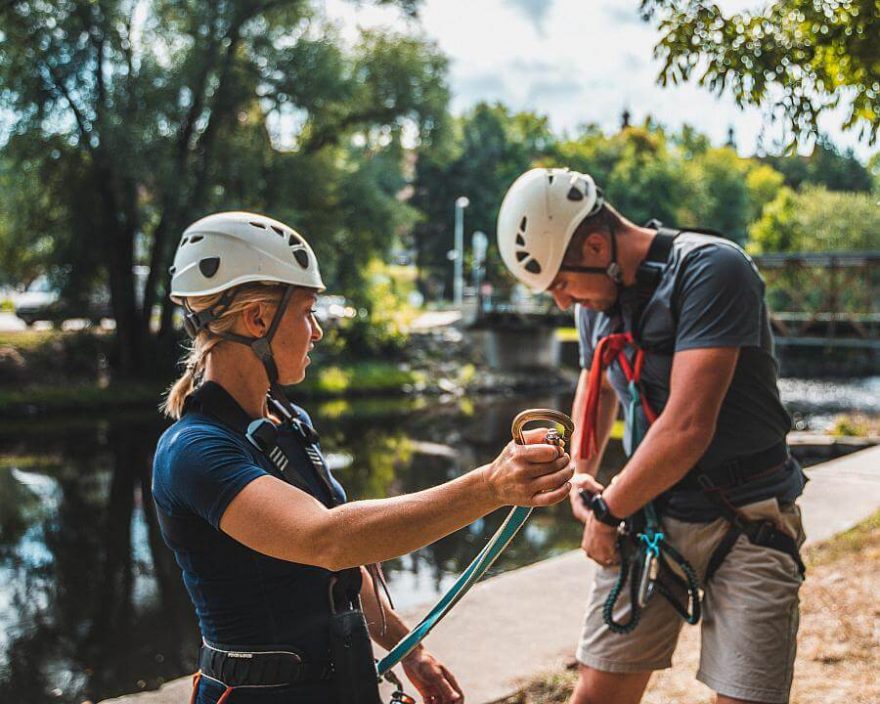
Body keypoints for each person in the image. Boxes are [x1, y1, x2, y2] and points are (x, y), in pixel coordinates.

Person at [152, 211, 574, 704]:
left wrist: (408, 649)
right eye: (307, 311)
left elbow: (340, 570)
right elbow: (327, 540)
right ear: (258, 319)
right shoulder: (195, 452)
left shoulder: (282, 422)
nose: (317, 331)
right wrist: (489, 486)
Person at [496, 168, 807, 704]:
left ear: (597, 246)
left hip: (749, 516)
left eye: (562, 284)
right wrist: (581, 473)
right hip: (648, 518)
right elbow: (595, 393)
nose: (562, 303)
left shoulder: (712, 270)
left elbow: (688, 427)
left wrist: (607, 511)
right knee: (597, 692)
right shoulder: (602, 299)